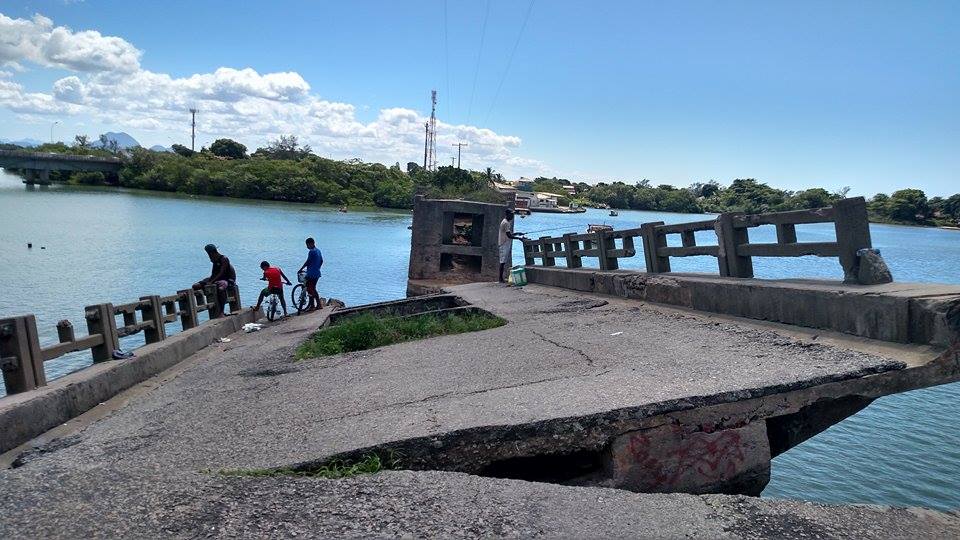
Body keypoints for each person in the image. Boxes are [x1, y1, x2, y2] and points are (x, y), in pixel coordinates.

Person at [192, 244, 236, 312]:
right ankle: (205, 300)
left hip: (227, 279)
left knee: (220, 289)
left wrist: (211, 281)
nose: (209, 256)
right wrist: (207, 281)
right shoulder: (214, 261)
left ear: (212, 252)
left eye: (209, 253)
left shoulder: (224, 259)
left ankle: (221, 311)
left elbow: (222, 273)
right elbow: (213, 274)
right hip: (217, 278)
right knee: (195, 286)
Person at [498, 209, 525, 283]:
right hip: (504, 243)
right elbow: (509, 236)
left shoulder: (506, 222)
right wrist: (519, 238)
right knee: (502, 262)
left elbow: (509, 234)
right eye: (511, 214)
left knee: (503, 261)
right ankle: (500, 278)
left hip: (505, 243)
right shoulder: (505, 223)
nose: (512, 216)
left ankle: (501, 278)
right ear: (507, 214)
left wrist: (517, 233)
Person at [298, 237, 324, 311]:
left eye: (307, 245)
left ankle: (316, 305)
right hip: (317, 272)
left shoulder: (311, 251)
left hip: (311, 274)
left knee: (310, 288)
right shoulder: (318, 251)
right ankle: (314, 305)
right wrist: (317, 267)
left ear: (311, 243)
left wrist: (301, 269)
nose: (307, 246)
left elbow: (308, 262)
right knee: (312, 288)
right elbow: (321, 261)